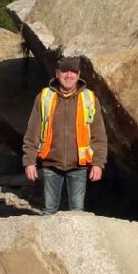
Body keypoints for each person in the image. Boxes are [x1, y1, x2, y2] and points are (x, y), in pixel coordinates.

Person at [23, 54, 107, 214]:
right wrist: (29, 162)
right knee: (49, 211)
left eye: (73, 71)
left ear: (79, 74)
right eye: (64, 71)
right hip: (50, 165)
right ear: (57, 73)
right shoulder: (44, 97)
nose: (68, 75)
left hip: (79, 166)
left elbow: (99, 136)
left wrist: (98, 163)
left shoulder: (89, 98)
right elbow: (32, 132)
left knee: (77, 213)